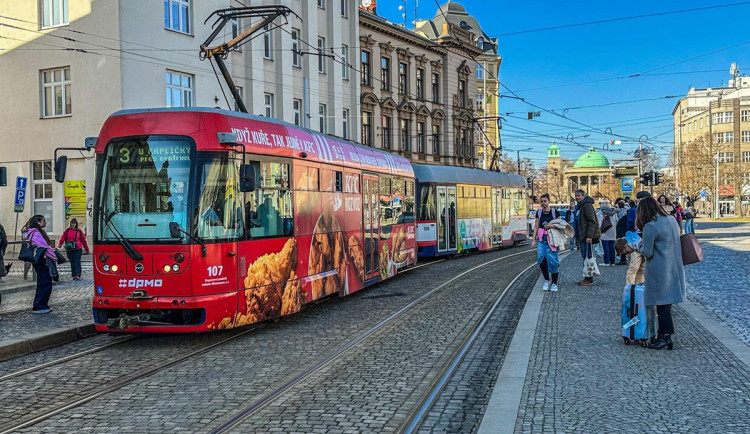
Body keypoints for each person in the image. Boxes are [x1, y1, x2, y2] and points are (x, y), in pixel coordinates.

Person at [634, 197, 686, 350]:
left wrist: (637, 243)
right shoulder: (670, 220)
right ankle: (663, 334)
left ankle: (665, 336)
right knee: (666, 304)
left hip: (660, 268)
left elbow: (647, 252)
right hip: (674, 265)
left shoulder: (651, 226)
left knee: (661, 304)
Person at [27, 215, 57, 313]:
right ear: (38, 222)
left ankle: (41, 304)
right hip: (41, 260)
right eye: (43, 221)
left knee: (43, 281)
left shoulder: (30, 232)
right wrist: (54, 257)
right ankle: (40, 305)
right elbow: (45, 247)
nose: (45, 222)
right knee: (45, 282)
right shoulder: (36, 233)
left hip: (38, 259)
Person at [531, 194, 560, 292]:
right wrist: (533, 239)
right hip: (541, 240)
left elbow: (561, 225)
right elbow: (536, 226)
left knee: (553, 261)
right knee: (541, 260)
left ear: (549, 201)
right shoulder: (539, 212)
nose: (543, 203)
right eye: (541, 201)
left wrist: (550, 226)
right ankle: (547, 280)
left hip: (552, 239)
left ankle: (554, 283)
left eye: (545, 201)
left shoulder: (554, 212)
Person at [574, 189, 601, 286]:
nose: (577, 197)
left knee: (588, 257)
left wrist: (589, 236)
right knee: (585, 257)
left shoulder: (587, 206)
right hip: (582, 236)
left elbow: (591, 221)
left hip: (586, 236)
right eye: (576, 196)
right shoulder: (581, 206)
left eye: (579, 195)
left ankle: (589, 278)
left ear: (584, 195)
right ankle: (587, 276)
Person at [598, 200, 619, 267]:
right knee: (612, 246)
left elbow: (599, 222)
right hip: (613, 230)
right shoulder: (614, 211)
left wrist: (598, 230)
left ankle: (606, 261)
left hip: (604, 231)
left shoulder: (601, 212)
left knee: (605, 246)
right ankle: (612, 261)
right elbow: (617, 221)